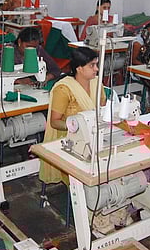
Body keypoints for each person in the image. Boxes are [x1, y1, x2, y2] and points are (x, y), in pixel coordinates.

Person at [40, 47, 106, 185]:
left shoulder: (97, 83)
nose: (97, 69)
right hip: (69, 140)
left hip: (94, 136)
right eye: (92, 65)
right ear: (79, 68)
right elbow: (55, 122)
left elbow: (103, 111)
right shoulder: (63, 89)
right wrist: (76, 126)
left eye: (97, 65)